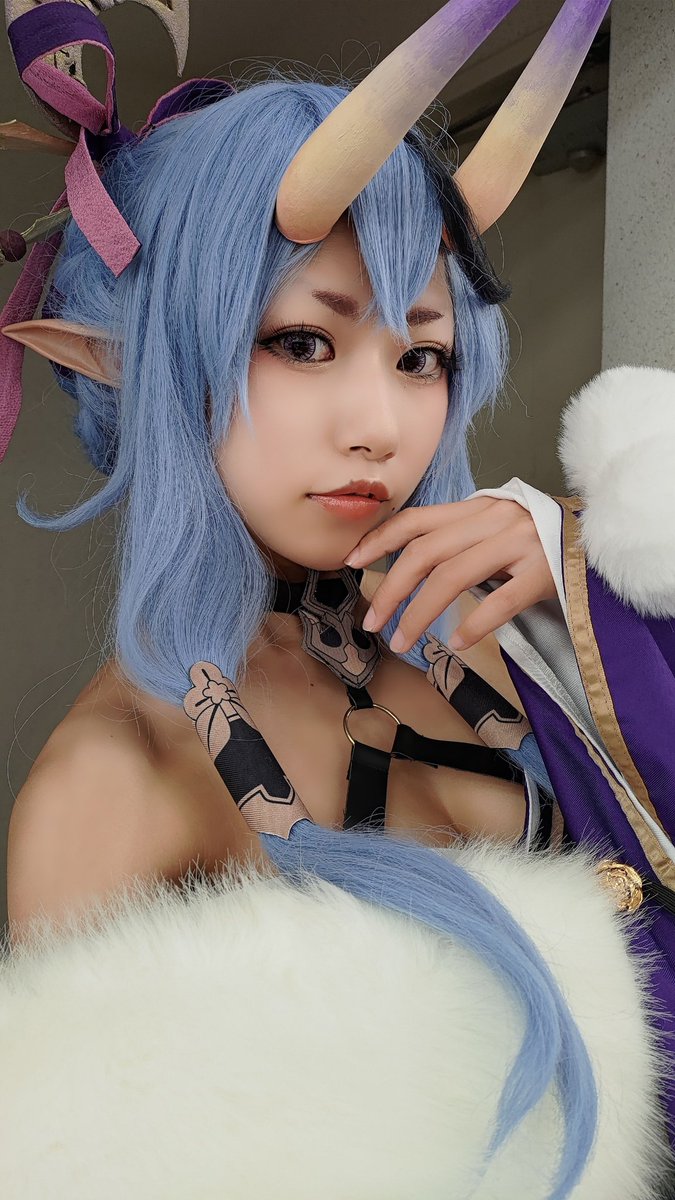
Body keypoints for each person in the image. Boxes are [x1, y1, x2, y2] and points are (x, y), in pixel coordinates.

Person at [1, 0, 674, 1196]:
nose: (380, 427)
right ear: (148, 364)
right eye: (304, 343)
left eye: (421, 356)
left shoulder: (518, 614)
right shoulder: (110, 787)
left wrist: (609, 573)